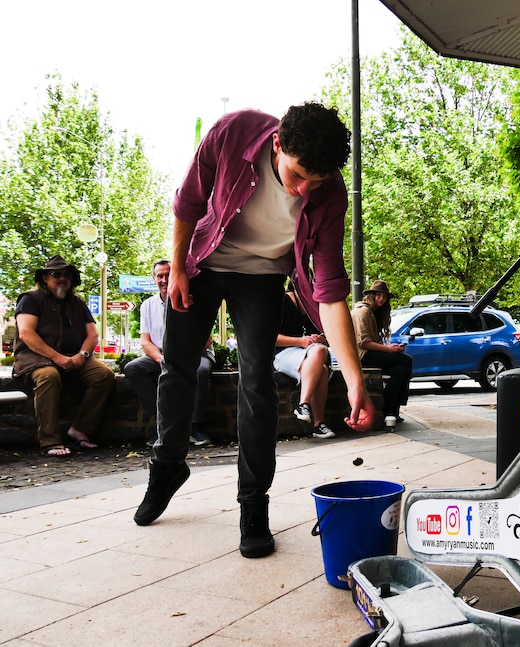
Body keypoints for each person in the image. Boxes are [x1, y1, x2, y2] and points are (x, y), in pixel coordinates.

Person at [133, 103, 375, 560]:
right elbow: (188, 201)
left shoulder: (329, 192)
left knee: (256, 385)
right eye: (298, 175)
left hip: (263, 277)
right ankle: (166, 467)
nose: (304, 190)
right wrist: (180, 266)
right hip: (204, 262)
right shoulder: (234, 133)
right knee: (177, 367)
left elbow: (329, 290)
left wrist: (355, 378)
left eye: (316, 182)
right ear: (278, 144)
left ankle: (253, 505)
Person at [13, 255, 115, 457]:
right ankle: (49, 440)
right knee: (49, 376)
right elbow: (26, 333)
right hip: (36, 359)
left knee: (103, 375)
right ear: (44, 277)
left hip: (74, 357)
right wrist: (58, 358)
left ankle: (80, 429)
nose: (62, 278)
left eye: (67, 274)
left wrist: (81, 355)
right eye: (56, 274)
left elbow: (93, 335)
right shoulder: (30, 299)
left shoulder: (77, 303)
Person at [123, 260, 215, 447]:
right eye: (160, 276)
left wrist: (182, 357)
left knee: (201, 371)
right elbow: (145, 342)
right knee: (133, 368)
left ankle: (195, 428)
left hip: (196, 353)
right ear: (154, 279)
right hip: (163, 354)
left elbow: (206, 340)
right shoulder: (147, 306)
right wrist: (162, 359)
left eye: (168, 274)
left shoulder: (192, 298)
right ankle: (163, 424)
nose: (164, 280)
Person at [274, 281, 335, 439]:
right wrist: (300, 341)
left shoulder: (311, 306)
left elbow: (328, 339)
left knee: (322, 367)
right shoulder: (281, 301)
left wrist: (320, 339)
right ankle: (307, 409)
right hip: (283, 354)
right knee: (320, 359)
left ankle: (314, 421)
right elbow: (270, 338)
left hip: (308, 353)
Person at [351, 280, 413, 423]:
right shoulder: (363, 311)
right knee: (406, 360)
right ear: (371, 296)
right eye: (378, 296)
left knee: (399, 369)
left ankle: (391, 410)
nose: (381, 299)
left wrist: (393, 348)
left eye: (384, 297)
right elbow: (364, 343)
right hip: (362, 355)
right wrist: (389, 349)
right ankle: (393, 406)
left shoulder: (373, 312)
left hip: (369, 353)